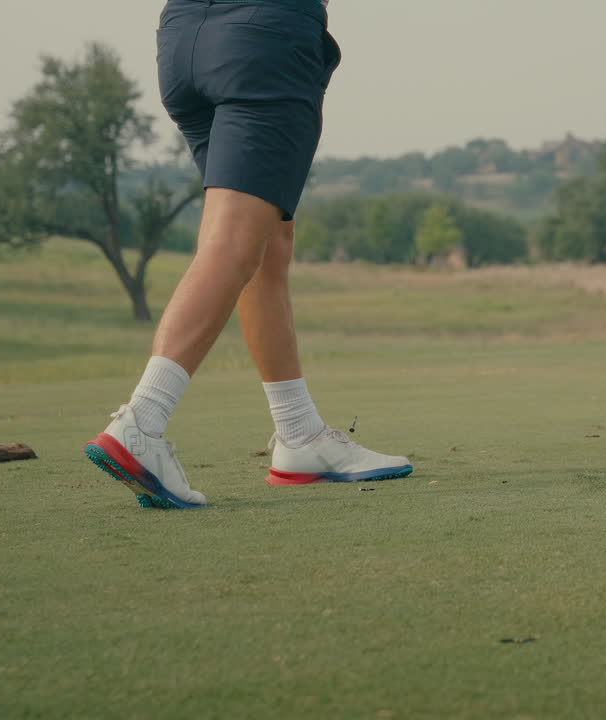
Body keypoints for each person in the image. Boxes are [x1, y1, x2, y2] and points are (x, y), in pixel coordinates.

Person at [84, 0, 412, 509]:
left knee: (265, 242)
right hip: (264, 38)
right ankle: (142, 422)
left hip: (183, 38)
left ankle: (298, 435)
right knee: (232, 246)